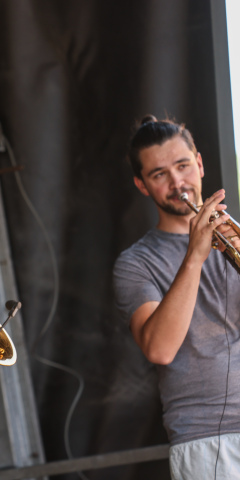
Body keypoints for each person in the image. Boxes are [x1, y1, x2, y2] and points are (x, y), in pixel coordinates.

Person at [113, 115, 240, 479]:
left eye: (183, 166)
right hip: (208, 438)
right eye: (159, 175)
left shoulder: (235, 237)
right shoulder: (136, 263)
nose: (177, 183)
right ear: (142, 185)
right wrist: (195, 256)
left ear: (199, 164)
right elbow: (160, 349)